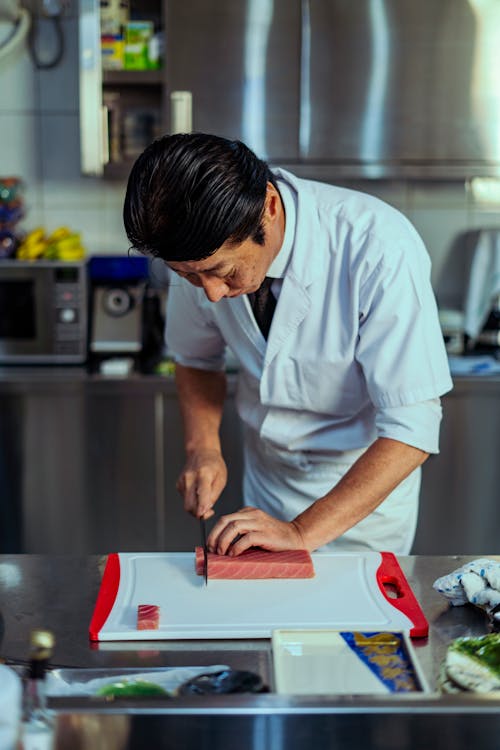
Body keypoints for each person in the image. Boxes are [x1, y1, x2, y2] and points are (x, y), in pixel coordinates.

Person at [123, 132, 453, 556]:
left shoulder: (379, 246)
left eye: (222, 271)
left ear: (269, 207)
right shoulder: (197, 255)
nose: (211, 294)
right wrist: (202, 447)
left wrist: (300, 532)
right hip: (267, 486)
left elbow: (412, 427)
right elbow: (196, 358)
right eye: (188, 276)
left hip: (360, 498)